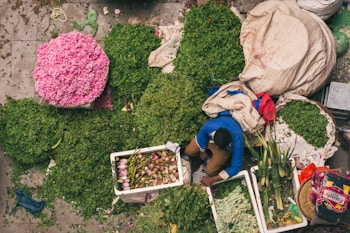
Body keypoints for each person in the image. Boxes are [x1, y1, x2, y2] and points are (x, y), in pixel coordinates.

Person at [182, 111, 244, 186]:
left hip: (225, 149)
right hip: (210, 141)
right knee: (188, 152)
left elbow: (235, 167)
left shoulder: (237, 142)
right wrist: (202, 151)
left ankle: (218, 160)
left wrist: (213, 179)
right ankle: (197, 160)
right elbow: (202, 136)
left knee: (210, 171)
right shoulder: (210, 126)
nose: (217, 147)